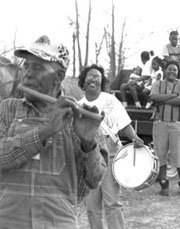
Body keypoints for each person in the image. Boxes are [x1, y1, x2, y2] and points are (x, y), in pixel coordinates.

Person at [0, 35, 107, 228]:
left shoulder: (81, 116)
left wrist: (88, 143)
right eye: (26, 66)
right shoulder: (7, 110)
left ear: (59, 77)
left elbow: (94, 180)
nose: (27, 74)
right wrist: (46, 131)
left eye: (38, 68)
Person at [78, 64, 144, 229]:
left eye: (97, 76)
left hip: (109, 150)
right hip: (87, 154)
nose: (94, 78)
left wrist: (135, 137)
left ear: (102, 82)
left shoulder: (110, 100)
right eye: (90, 75)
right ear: (83, 81)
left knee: (112, 201)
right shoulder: (77, 105)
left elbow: (123, 123)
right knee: (91, 205)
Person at [150, 60, 180, 196]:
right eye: (169, 69)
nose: (172, 72)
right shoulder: (157, 83)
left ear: (177, 71)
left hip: (176, 123)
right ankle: (164, 184)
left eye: (175, 69)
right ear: (165, 70)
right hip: (159, 122)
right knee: (160, 153)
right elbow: (153, 97)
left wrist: (162, 100)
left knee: (178, 153)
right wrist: (173, 96)